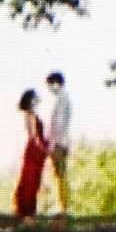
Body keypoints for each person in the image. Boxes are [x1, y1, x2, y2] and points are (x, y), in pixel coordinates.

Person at [13, 88, 50, 219]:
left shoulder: (33, 114)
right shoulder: (30, 115)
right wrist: (44, 149)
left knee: (35, 179)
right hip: (35, 150)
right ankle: (26, 210)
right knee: (30, 179)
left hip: (38, 150)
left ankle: (29, 210)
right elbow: (33, 136)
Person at [44, 70, 73, 220]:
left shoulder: (62, 98)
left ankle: (63, 207)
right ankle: (62, 206)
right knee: (60, 175)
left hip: (59, 142)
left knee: (60, 175)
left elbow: (59, 123)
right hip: (62, 141)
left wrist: (52, 143)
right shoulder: (63, 98)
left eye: (50, 85)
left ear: (56, 83)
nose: (49, 89)